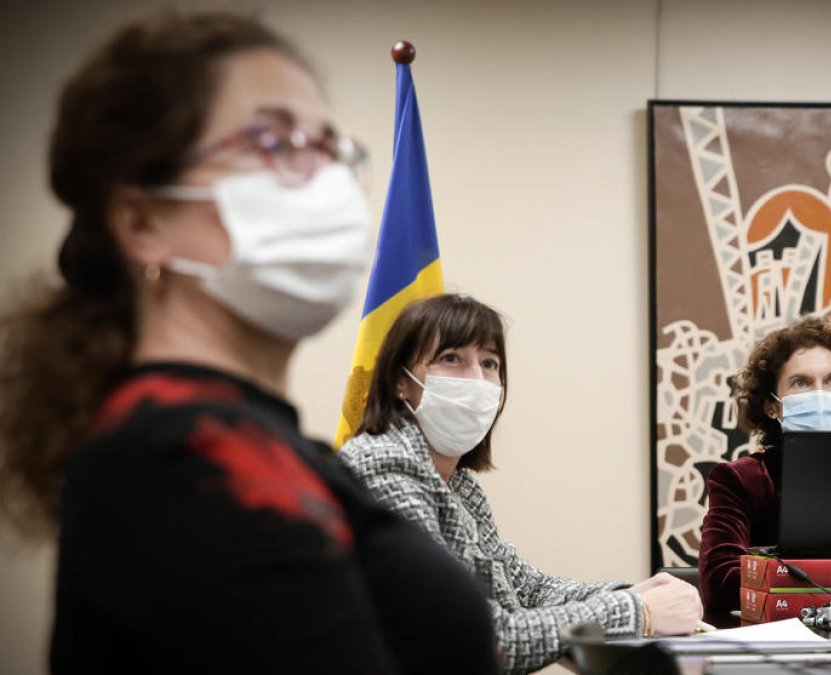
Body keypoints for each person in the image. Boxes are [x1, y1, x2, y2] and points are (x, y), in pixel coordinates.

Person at [0, 11, 499, 674]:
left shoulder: (278, 447)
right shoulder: (177, 460)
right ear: (143, 222)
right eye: (274, 142)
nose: (324, 181)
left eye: (331, 148)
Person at [339, 293, 703, 675]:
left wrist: (631, 593)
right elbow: (480, 639)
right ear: (401, 381)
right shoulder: (382, 467)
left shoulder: (458, 485)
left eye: (489, 363)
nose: (477, 381)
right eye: (452, 359)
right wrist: (636, 612)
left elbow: (528, 590)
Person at [697, 312, 831, 614]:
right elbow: (720, 585)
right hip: (778, 638)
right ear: (771, 406)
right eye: (801, 383)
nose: (820, 394)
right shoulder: (743, 479)